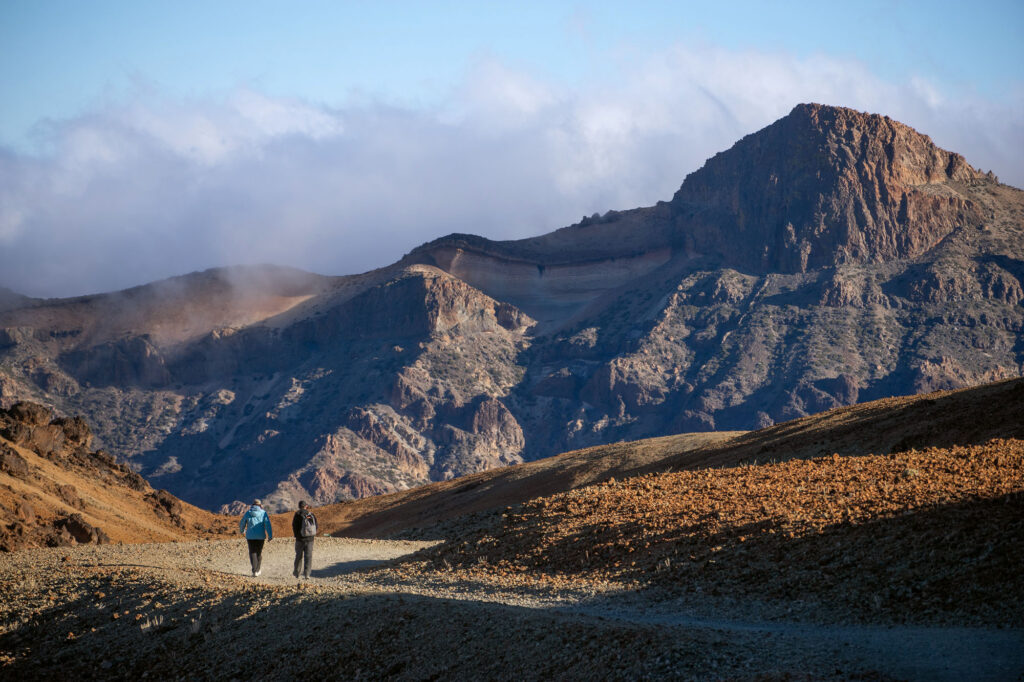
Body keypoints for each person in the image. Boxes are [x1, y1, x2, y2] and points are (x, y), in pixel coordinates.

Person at [239, 498, 272, 577]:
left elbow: (242, 522)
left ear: (253, 505)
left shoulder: (248, 513)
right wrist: (270, 535)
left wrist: (242, 531)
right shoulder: (263, 513)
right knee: (258, 553)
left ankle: (254, 571)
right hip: (261, 536)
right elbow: (268, 524)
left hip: (250, 536)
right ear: (260, 505)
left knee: (252, 552)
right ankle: (257, 570)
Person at [291, 500, 317, 579]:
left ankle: (297, 573)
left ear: (299, 506)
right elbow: (316, 526)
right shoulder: (311, 514)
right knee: (308, 556)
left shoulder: (297, 514)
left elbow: (294, 526)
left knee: (298, 556)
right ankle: (307, 574)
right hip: (310, 539)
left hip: (300, 539)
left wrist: (296, 535)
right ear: (306, 506)